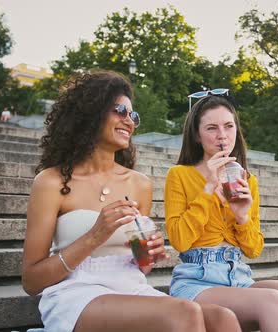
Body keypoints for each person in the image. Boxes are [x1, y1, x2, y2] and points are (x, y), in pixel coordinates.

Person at [21, 71, 240, 332]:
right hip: (77, 292)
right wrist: (94, 236)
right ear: (91, 111)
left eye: (133, 115)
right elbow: (32, 281)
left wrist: (147, 256)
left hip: (130, 286)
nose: (129, 121)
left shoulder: (139, 184)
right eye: (120, 111)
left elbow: (141, 267)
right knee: (185, 312)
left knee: (222, 319)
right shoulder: (51, 181)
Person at [164, 90, 278, 332]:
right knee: (272, 300)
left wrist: (242, 216)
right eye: (211, 128)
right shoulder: (179, 175)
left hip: (238, 278)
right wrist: (209, 188)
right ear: (197, 136)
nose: (222, 135)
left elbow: (253, 250)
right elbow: (180, 241)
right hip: (196, 281)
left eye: (228, 126)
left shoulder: (247, 180)